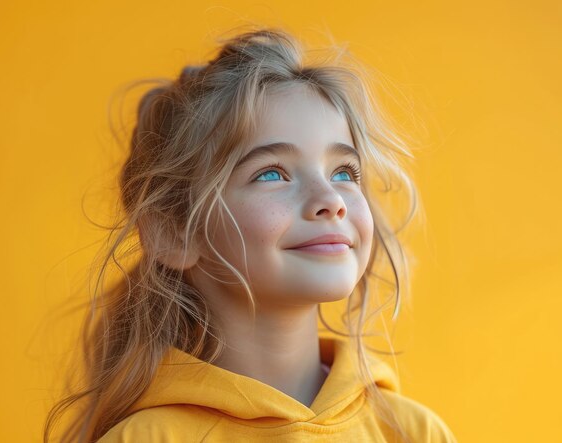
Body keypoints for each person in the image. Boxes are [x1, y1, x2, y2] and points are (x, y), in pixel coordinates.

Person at [44, 26, 458, 443]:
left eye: (343, 172)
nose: (331, 198)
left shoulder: (415, 433)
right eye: (272, 173)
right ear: (173, 233)